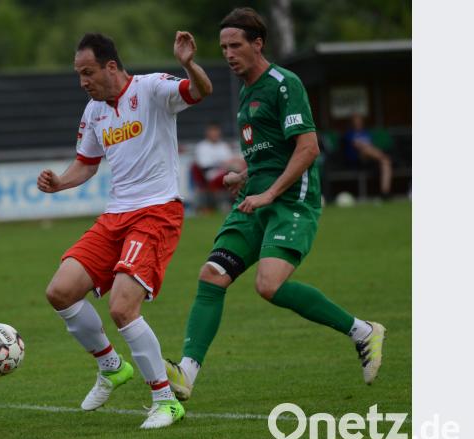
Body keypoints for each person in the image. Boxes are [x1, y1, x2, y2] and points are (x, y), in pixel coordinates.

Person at [164, 7, 387, 403]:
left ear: (258, 43)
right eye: (223, 47)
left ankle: (362, 331)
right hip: (256, 200)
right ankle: (186, 372)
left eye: (236, 46)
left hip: (291, 200)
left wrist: (269, 193)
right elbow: (267, 155)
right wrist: (244, 177)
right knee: (212, 274)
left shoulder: (285, 84)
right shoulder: (245, 93)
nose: (229, 54)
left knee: (268, 285)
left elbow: (307, 148)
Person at [37, 32, 212, 429]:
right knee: (60, 292)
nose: (83, 81)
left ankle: (165, 399)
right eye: (79, 74)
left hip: (157, 213)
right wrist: (60, 182)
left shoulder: (152, 89)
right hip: (115, 215)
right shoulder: (93, 111)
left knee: (121, 306)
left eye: (88, 72)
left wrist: (188, 63)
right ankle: (111, 366)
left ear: (111, 66)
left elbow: (201, 90)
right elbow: (86, 163)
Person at [192, 122, 246, 211]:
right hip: (211, 175)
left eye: (216, 131)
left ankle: (240, 200)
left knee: (239, 169)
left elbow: (230, 160)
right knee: (235, 173)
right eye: (212, 131)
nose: (214, 133)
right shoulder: (202, 146)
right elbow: (204, 165)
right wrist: (223, 163)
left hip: (226, 171)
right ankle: (232, 202)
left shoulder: (223, 145)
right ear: (207, 133)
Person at [344, 112, 393, 198]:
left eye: (359, 121)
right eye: (356, 121)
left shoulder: (366, 133)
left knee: (385, 162)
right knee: (366, 149)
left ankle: (385, 193)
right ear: (352, 122)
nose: (358, 122)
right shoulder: (349, 133)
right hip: (357, 160)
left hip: (371, 160)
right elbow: (357, 146)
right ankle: (382, 155)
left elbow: (371, 145)